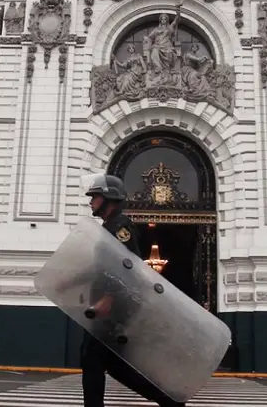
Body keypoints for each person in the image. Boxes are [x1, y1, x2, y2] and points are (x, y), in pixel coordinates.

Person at [80, 174, 185, 407]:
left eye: (95, 196)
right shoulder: (107, 228)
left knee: (93, 359)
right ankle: (169, 400)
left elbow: (127, 266)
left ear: (109, 198)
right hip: (105, 307)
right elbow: (102, 267)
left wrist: (108, 298)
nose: (91, 201)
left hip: (112, 308)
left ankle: (169, 400)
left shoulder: (121, 227)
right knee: (111, 363)